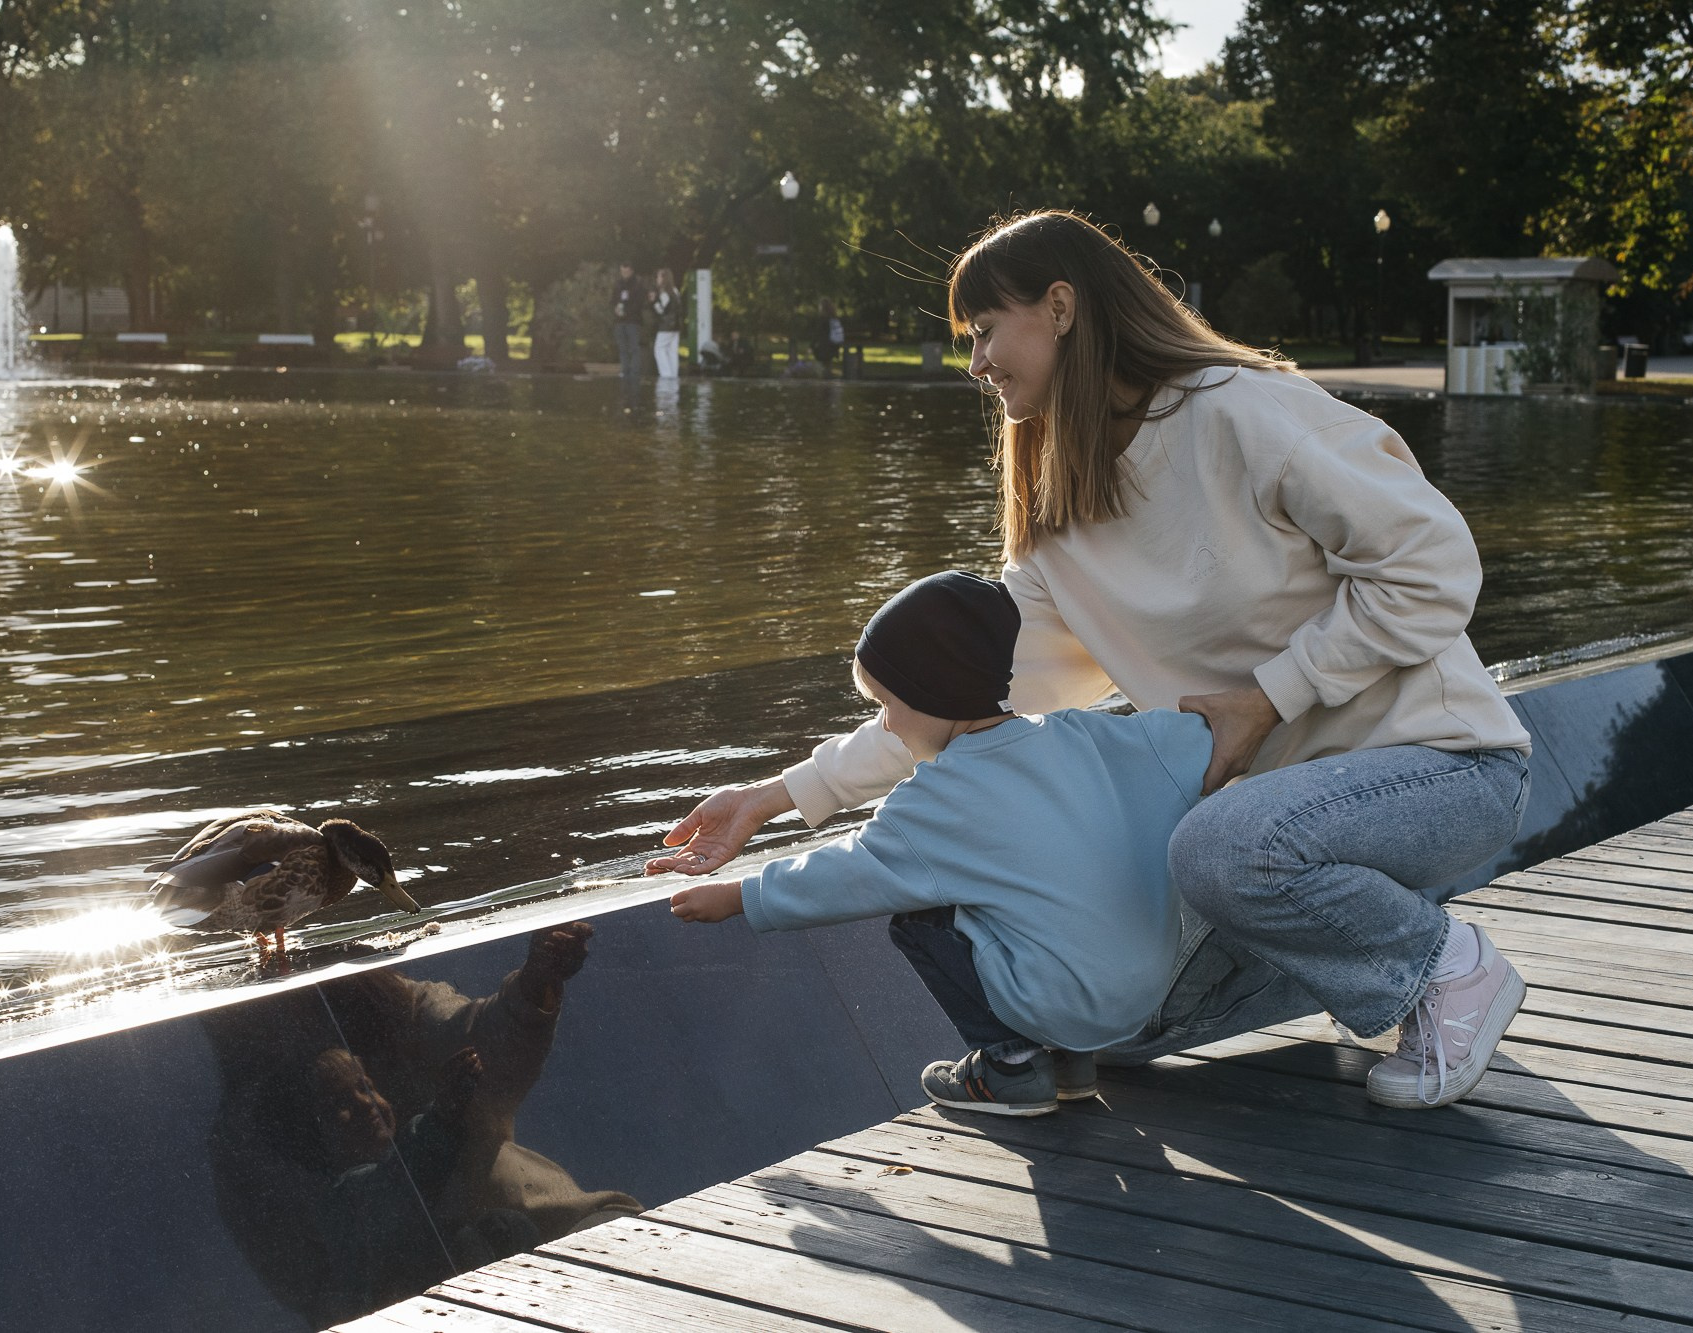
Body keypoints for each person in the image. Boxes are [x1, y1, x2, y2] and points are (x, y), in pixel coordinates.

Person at [652, 209, 1534, 1112]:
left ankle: (1445, 966)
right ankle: (1373, 951)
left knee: (1217, 847)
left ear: (1062, 306)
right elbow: (943, 712)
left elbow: (1432, 567)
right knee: (1109, 1022)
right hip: (1273, 832)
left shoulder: (1240, 411)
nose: (977, 363)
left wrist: (1272, 696)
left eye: (987, 331)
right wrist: (770, 799)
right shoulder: (1061, 529)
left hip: (1439, 771)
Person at [671, 571, 1213, 1117]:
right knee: (1041, 895)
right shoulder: (1088, 736)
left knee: (920, 915)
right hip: (1143, 999)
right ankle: (1071, 1065)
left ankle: (1010, 1065)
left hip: (1060, 1003)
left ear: (932, 691)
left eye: (887, 703)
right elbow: (1194, 736)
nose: (884, 725)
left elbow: (854, 870)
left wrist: (742, 895)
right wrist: (1259, 703)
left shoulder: (937, 799)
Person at [611, 263, 646, 388]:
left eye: (626, 271)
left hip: (633, 321)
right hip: (620, 321)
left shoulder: (638, 284)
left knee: (634, 347)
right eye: (622, 271)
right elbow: (613, 299)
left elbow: (639, 303)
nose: (624, 274)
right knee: (622, 348)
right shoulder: (618, 284)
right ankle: (625, 371)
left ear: (631, 270)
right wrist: (616, 309)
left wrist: (627, 312)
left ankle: (634, 372)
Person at [650, 268, 684, 380]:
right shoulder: (675, 290)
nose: (657, 279)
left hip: (666, 326)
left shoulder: (664, 293)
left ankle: (666, 374)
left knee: (659, 349)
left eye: (659, 277)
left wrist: (654, 301)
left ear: (664, 278)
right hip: (676, 326)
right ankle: (673, 375)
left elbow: (662, 311)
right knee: (672, 351)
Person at [810, 297, 845, 375]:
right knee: (828, 365)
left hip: (823, 347)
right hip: (832, 346)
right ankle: (828, 379)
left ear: (822, 307)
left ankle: (825, 380)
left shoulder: (823, 319)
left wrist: (811, 346)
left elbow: (817, 334)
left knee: (823, 367)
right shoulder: (834, 318)